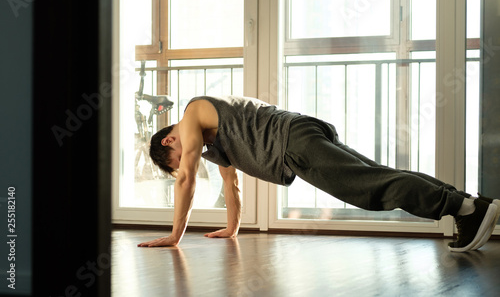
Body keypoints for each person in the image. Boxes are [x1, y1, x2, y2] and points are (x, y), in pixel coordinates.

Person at [137, 95, 500, 252]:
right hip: (300, 133)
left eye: (176, 157)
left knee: (369, 188)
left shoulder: (192, 114)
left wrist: (174, 236)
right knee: (377, 174)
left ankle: (465, 209)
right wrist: (232, 228)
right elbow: (232, 187)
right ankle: (472, 204)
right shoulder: (215, 143)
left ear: (170, 139)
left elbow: (186, 179)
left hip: (293, 143)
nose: (187, 162)